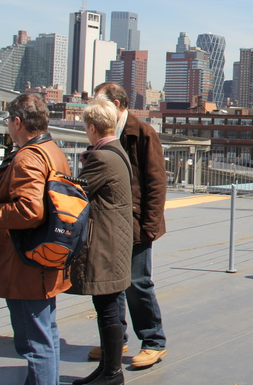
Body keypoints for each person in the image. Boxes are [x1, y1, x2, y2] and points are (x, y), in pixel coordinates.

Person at [0, 94, 72, 384]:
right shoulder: (52, 151)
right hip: (46, 258)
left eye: (8, 121)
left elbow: (30, 210)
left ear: (18, 122)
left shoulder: (28, 157)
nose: (7, 127)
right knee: (46, 336)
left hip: (25, 266)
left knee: (34, 343)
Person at [93, 83, 168, 368]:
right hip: (110, 222)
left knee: (137, 283)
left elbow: (157, 182)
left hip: (136, 224)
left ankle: (154, 342)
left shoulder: (143, 132)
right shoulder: (104, 130)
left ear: (115, 103)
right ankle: (115, 341)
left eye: (99, 102)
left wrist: (150, 226)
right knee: (111, 284)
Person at [71, 97, 133, 385]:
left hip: (105, 243)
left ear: (92, 128)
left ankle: (112, 373)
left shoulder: (100, 157)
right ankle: (107, 368)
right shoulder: (117, 150)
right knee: (107, 308)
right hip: (115, 240)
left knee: (107, 310)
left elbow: (76, 193)